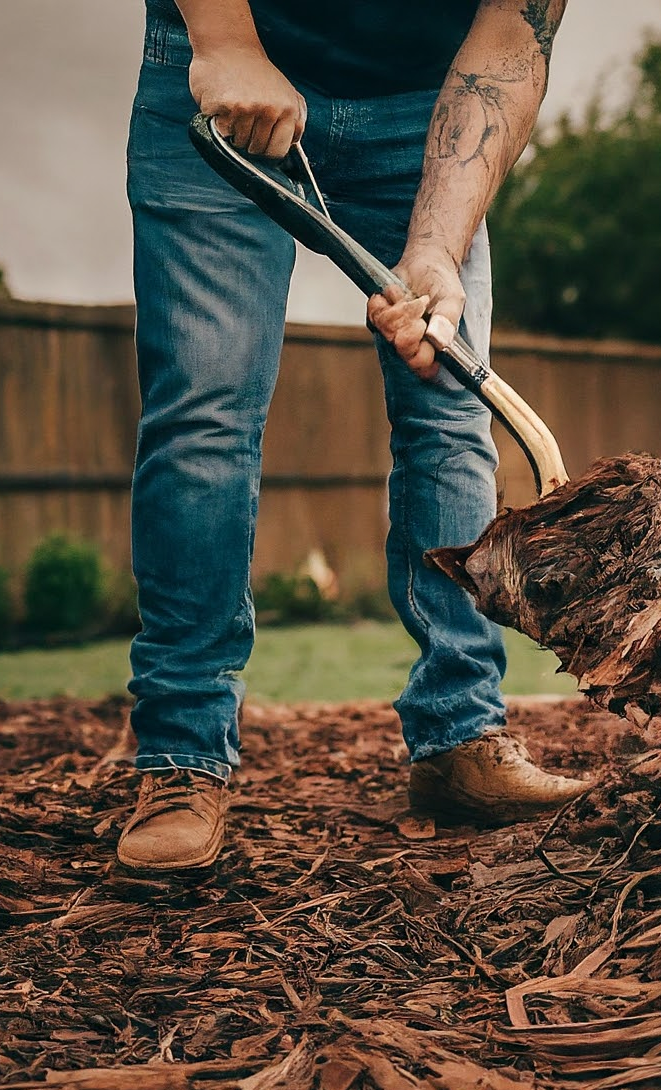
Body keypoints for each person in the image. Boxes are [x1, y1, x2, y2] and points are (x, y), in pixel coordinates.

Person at [117, 0, 586, 872]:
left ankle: (460, 735)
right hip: (222, 73)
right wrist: (227, 43)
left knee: (449, 410)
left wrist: (438, 249)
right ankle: (180, 755)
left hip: (426, 104)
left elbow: (514, 34)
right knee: (205, 416)